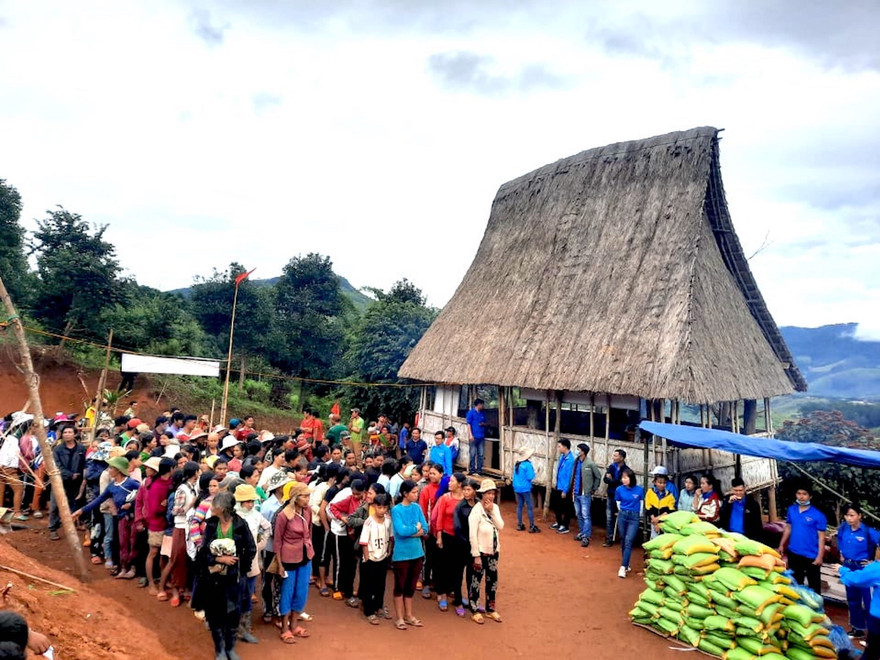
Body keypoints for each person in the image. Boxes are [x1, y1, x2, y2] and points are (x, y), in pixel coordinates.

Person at [193, 491, 256, 660]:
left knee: (233, 613)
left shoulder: (241, 525)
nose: (212, 507)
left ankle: (230, 648)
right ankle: (219, 649)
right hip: (214, 579)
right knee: (215, 615)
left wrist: (240, 566)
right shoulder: (212, 525)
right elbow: (203, 552)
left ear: (223, 508)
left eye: (215, 505)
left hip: (235, 579)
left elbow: (251, 549)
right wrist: (218, 559)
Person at [72, 456, 141, 579]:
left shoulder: (131, 483)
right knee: (123, 543)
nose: (108, 470)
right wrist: (81, 511)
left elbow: (142, 497)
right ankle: (124, 567)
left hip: (133, 518)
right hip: (121, 518)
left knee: (134, 543)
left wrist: (131, 504)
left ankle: (133, 567)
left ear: (118, 470)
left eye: (111, 468)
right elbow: (98, 500)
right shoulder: (111, 486)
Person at [274, 480, 314, 644]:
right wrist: (280, 564)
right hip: (288, 559)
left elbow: (309, 533)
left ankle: (295, 624)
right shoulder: (284, 515)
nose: (307, 499)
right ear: (295, 497)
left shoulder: (308, 511)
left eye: (308, 496)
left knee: (301, 592)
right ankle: (285, 627)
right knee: (287, 593)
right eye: (304, 496)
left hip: (306, 556)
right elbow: (277, 541)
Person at [234, 483, 271, 644]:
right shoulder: (232, 516)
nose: (251, 504)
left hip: (252, 561)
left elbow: (268, 528)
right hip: (234, 562)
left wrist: (260, 545)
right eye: (248, 501)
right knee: (232, 594)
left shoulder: (256, 515)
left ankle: (244, 629)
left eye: (252, 501)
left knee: (247, 594)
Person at [836, 504, 880, 638]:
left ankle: (873, 633)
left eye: (852, 515)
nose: (849, 518)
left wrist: (875, 562)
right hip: (848, 565)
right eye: (846, 515)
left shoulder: (868, 532)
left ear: (859, 516)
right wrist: (841, 553)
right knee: (852, 599)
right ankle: (857, 629)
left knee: (868, 600)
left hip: (863, 568)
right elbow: (839, 539)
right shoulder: (843, 528)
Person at [777, 482, 827, 594]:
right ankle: (797, 608)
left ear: (810, 496)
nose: (801, 496)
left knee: (814, 586)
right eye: (799, 493)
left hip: (811, 555)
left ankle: (816, 610)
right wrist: (781, 545)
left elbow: (821, 537)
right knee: (795, 584)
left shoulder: (818, 515)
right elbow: (788, 528)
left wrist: (819, 557)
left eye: (804, 494)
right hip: (794, 552)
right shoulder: (792, 510)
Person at [391, 479, 428, 630]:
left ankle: (409, 615)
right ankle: (400, 617)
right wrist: (416, 529)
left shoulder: (417, 507)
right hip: (402, 555)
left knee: (411, 586)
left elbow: (425, 528)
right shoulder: (396, 510)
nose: (416, 494)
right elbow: (401, 531)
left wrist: (412, 530)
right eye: (414, 492)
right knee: (400, 586)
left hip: (417, 554)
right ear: (405, 494)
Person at [468, 479, 504, 624]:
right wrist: (476, 555)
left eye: (493, 493)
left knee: (492, 580)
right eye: (488, 493)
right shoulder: (476, 511)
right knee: (476, 580)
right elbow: (472, 534)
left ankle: (490, 608)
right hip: (480, 552)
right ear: (482, 494)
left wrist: (492, 512)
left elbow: (500, 526)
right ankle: (474, 609)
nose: (490, 496)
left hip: (493, 551)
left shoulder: (494, 508)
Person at [328, 478, 366, 605]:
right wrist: (343, 518)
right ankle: (339, 588)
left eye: (358, 494)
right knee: (343, 562)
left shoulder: (367, 501)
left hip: (361, 537)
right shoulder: (349, 499)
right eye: (353, 493)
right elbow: (332, 507)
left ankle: (350, 590)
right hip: (348, 536)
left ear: (364, 491)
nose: (355, 496)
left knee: (354, 565)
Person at [432, 472, 466, 613]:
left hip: (461, 539)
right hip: (446, 536)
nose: (449, 483)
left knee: (457, 567)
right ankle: (442, 593)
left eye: (452, 481)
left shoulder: (466, 499)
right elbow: (438, 518)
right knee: (443, 566)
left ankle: (454, 591)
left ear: (460, 484)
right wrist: (439, 536)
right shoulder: (445, 498)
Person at [48, 424, 87, 541]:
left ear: (75, 434)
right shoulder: (57, 449)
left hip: (77, 482)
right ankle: (53, 528)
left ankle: (73, 526)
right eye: (65, 432)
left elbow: (84, 464)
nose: (67, 434)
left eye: (70, 432)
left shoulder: (81, 449)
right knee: (55, 505)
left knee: (75, 503)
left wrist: (80, 476)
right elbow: (56, 465)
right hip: (59, 481)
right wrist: (70, 474)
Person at [360, 492, 394, 625]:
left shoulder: (388, 521)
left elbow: (390, 537)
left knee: (381, 584)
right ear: (374, 506)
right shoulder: (369, 523)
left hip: (383, 556)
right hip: (371, 558)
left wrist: (389, 549)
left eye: (384, 507)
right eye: (379, 507)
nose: (382, 510)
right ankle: (369, 611)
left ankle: (378, 606)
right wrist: (367, 558)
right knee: (369, 585)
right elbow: (364, 542)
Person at [840, 555, 880, 658]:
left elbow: (857, 580)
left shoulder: (877, 568)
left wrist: (842, 570)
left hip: (878, 619)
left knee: (871, 653)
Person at [614, 467, 645, 579]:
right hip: (622, 515)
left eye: (626, 478)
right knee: (623, 539)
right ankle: (626, 563)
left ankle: (623, 566)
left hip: (634, 517)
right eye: (622, 478)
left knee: (628, 540)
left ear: (631, 478)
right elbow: (618, 503)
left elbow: (641, 504)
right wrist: (622, 512)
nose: (624, 480)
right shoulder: (619, 489)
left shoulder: (639, 490)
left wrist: (638, 515)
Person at [418, 463, 443, 598]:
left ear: (441, 474)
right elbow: (422, 510)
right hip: (429, 530)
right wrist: (425, 529)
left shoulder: (445, 489)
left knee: (440, 558)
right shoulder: (426, 489)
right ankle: (426, 582)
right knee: (428, 558)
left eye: (434, 473)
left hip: (441, 531)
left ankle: (437, 582)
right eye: (430, 473)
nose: (431, 475)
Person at [572, 443, 602, 546]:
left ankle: (586, 536)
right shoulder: (576, 462)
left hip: (585, 494)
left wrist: (593, 488)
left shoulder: (590, 463)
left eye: (578, 449)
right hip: (575, 492)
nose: (577, 451)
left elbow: (598, 476)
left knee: (586, 515)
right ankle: (582, 532)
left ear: (583, 452)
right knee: (578, 514)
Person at [602, 448, 628, 547]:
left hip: (621, 498)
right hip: (611, 495)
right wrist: (613, 480)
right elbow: (605, 479)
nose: (613, 457)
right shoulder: (611, 467)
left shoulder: (626, 470)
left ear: (621, 458)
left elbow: (621, 482)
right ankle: (609, 538)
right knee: (609, 518)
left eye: (616, 456)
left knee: (622, 518)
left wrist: (612, 480)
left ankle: (623, 539)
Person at [550, 439, 575, 534]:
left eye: (560, 446)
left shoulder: (570, 460)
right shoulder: (562, 457)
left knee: (566, 507)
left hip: (564, 487)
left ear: (565, 447)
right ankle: (559, 522)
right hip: (558, 485)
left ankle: (565, 525)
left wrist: (565, 490)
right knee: (556, 505)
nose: (558, 448)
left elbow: (569, 476)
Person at [512, 447, 538, 533]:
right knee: (529, 507)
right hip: (525, 488)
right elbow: (530, 477)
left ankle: (520, 524)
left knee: (519, 506)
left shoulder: (517, 464)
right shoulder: (527, 465)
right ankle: (532, 526)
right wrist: (536, 472)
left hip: (517, 487)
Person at [645, 469, 676, 539]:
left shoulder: (669, 495)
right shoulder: (650, 492)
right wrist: (655, 522)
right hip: (653, 521)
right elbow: (648, 507)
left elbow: (670, 510)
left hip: (664, 522)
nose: (662, 485)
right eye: (660, 482)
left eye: (664, 483)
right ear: (655, 482)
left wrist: (657, 519)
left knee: (664, 540)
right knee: (654, 538)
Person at [466, 398, 487, 474]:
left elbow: (486, 423)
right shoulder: (471, 412)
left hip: (481, 436)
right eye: (482, 404)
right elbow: (468, 425)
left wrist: (483, 424)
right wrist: (470, 435)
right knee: (473, 453)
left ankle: (479, 469)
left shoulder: (482, 413)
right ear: (478, 405)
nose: (482, 406)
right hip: (474, 436)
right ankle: (472, 469)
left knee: (481, 454)